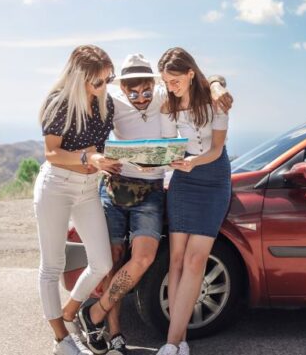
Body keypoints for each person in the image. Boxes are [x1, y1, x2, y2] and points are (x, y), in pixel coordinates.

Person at [75, 53, 233, 355]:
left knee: (182, 260)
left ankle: (173, 342)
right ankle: (138, 336)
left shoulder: (188, 98)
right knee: (153, 260)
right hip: (146, 185)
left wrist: (216, 85)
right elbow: (159, 141)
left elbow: (215, 141)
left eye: (149, 88)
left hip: (189, 182)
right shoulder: (152, 101)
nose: (141, 96)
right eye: (132, 91)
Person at [34, 45, 121, 355]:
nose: (104, 87)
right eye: (98, 81)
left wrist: (110, 162)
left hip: (88, 188)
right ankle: (61, 339)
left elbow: (101, 149)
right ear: (79, 78)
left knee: (101, 262)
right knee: (52, 265)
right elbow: (52, 153)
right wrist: (89, 157)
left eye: (108, 79)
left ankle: (71, 312)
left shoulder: (105, 104)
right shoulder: (58, 103)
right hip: (56, 185)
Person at [158, 47, 232, 355]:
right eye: (166, 81)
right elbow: (169, 147)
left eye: (174, 80)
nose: (170, 87)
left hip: (213, 178)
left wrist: (193, 161)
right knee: (176, 261)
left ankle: (171, 343)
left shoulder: (216, 102)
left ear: (190, 74)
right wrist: (169, 162)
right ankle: (180, 341)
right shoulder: (167, 106)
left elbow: (215, 150)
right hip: (183, 181)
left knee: (195, 260)